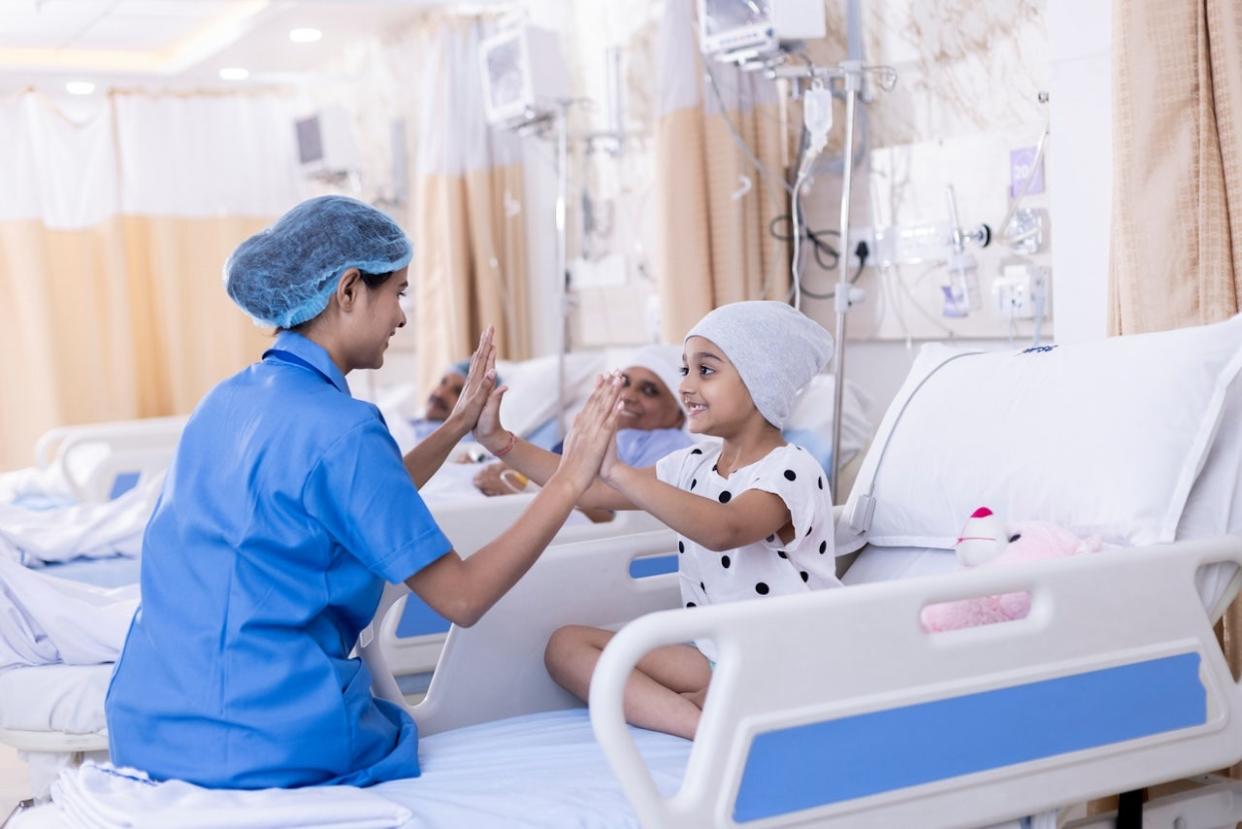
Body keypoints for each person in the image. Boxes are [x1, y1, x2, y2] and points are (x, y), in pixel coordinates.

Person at [104, 195, 625, 789]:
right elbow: (461, 599)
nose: (402, 317)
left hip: (150, 725)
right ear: (349, 289)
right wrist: (570, 478)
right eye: (398, 293)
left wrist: (457, 427)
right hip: (266, 739)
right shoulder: (343, 427)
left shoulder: (226, 400)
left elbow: (357, 500)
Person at [472, 300, 840, 740]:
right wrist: (500, 441)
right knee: (565, 647)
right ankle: (704, 724)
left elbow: (726, 529)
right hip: (717, 655)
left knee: (623, 659)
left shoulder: (790, 470)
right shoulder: (693, 464)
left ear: (764, 382)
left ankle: (707, 719)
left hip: (785, 659)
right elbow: (582, 487)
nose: (685, 385)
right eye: (684, 369)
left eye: (705, 370)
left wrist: (617, 471)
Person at [472, 345, 691, 497]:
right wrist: (513, 467)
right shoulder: (600, 431)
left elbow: (620, 511)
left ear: (679, 414)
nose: (627, 395)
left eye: (649, 391)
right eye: (624, 382)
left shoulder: (669, 447)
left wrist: (520, 492)